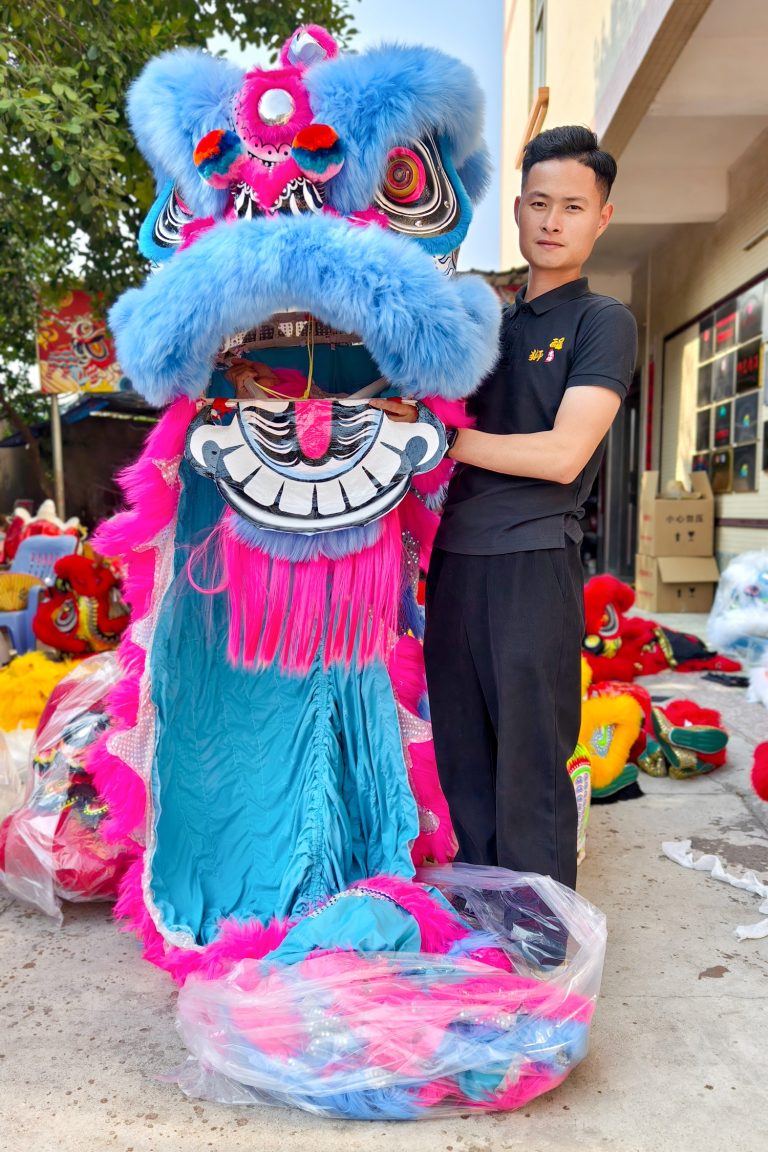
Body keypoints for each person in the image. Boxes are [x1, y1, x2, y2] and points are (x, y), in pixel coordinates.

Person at [374, 125, 637, 890]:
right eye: (540, 203)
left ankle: (544, 945)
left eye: (574, 207)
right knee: (464, 757)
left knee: (529, 764)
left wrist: (441, 440)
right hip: (454, 566)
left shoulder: (601, 323)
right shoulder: (484, 321)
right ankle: (488, 934)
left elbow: (563, 455)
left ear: (602, 218)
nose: (553, 222)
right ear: (517, 211)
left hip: (532, 563)